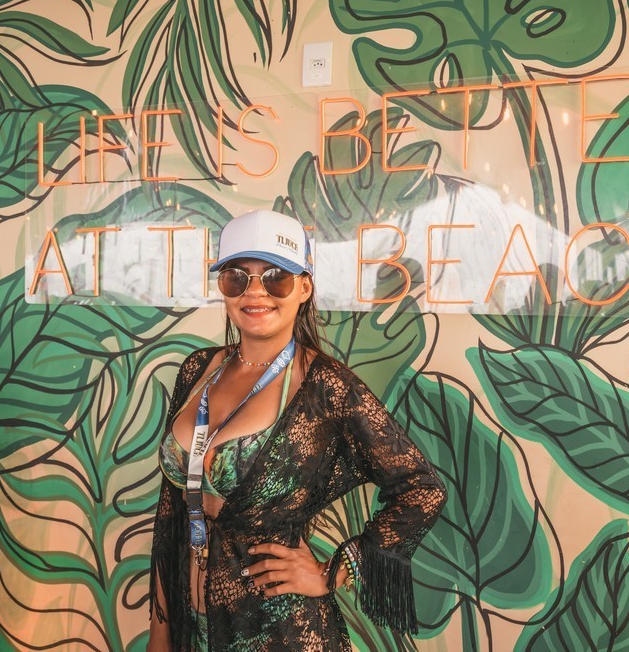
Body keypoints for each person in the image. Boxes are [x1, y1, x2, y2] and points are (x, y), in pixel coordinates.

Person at [148, 210, 446, 651]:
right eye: (236, 277)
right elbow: (170, 510)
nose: (255, 292)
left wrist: (335, 571)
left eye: (276, 278)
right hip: (192, 629)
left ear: (304, 287)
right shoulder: (198, 369)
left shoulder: (328, 387)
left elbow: (422, 489)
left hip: (283, 631)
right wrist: (161, 630)